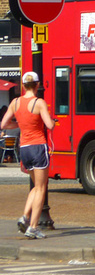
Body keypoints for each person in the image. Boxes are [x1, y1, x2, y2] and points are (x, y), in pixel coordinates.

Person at [0, 72, 55, 239]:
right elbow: (49, 125)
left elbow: (3, 124)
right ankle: (33, 226)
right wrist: (53, 120)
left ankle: (25, 216)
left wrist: (18, 124)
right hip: (38, 146)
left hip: (24, 147)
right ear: (37, 85)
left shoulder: (15, 102)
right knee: (41, 188)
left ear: (23, 86)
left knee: (35, 186)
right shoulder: (39, 103)